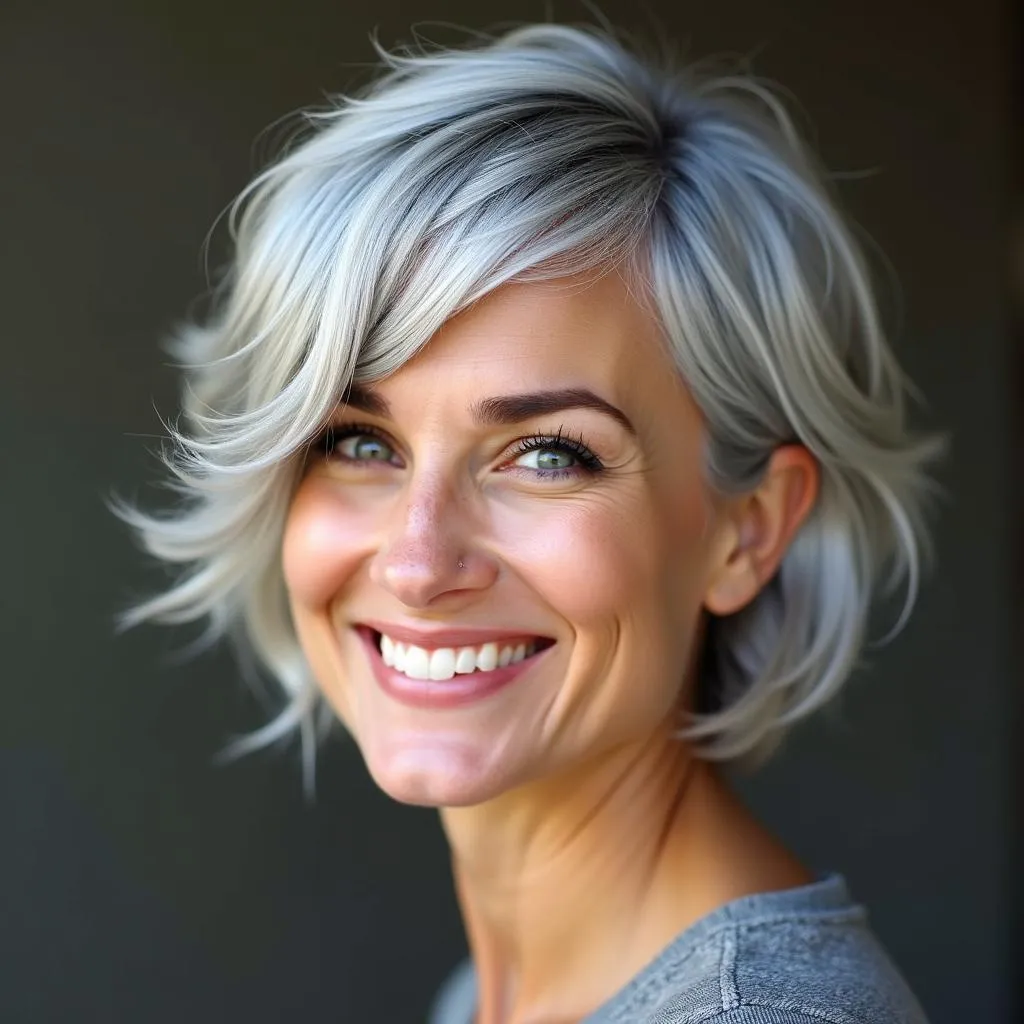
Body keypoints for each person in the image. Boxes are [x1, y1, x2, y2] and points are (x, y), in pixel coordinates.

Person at [114, 22, 943, 1024]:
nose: (421, 561)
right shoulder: (491, 998)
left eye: (548, 454)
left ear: (747, 530)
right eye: (357, 442)